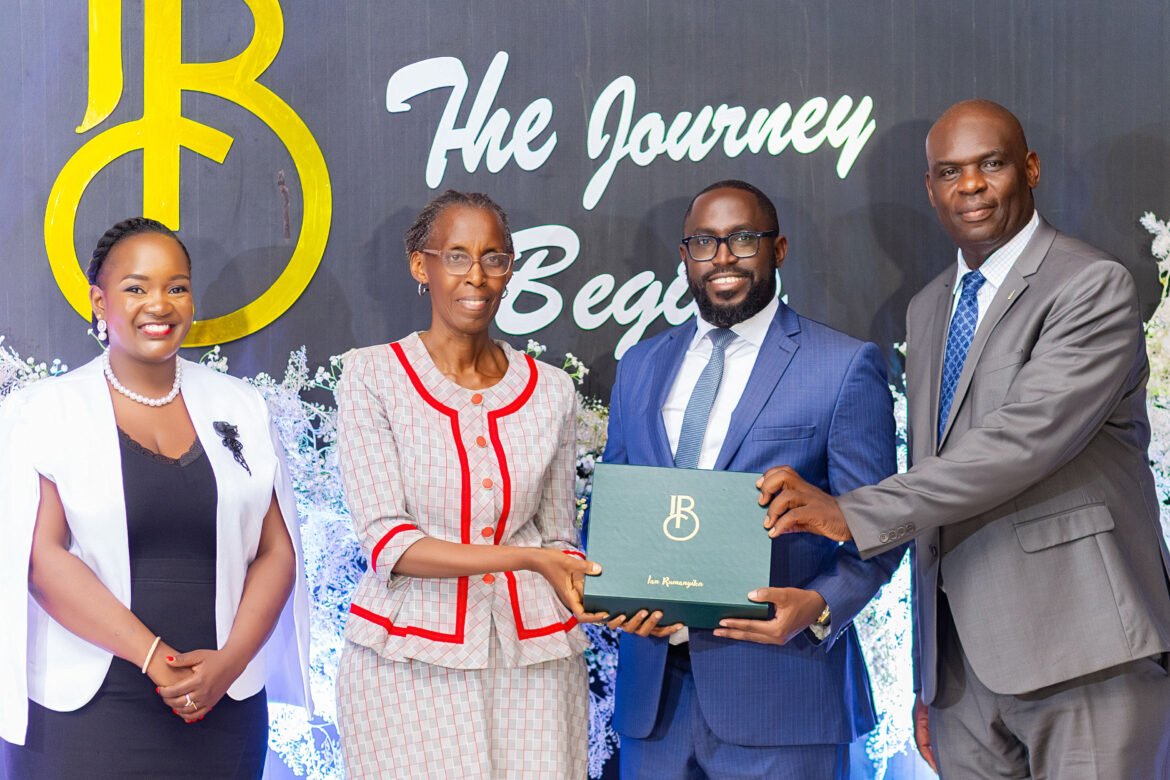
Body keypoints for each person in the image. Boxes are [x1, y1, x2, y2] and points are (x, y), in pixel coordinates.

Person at [760, 100, 1170, 778]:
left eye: (991, 164)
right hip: (962, 677)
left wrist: (852, 513)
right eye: (950, 171)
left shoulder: (1089, 285)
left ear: (1030, 168)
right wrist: (929, 676)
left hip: (1084, 651)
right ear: (930, 188)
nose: (970, 185)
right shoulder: (930, 307)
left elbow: (1021, 442)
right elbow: (935, 478)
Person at [602, 180, 906, 778]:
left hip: (783, 693)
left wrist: (819, 607)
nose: (722, 258)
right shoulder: (640, 364)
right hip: (654, 705)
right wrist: (612, 589)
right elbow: (614, 508)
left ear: (778, 249)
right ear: (684, 256)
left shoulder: (842, 366)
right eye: (704, 242)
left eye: (742, 239)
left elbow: (884, 525)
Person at [0, 217, 312, 778]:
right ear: (100, 301)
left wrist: (229, 663)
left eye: (177, 287)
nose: (160, 304)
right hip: (86, 708)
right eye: (136, 287)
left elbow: (277, 550)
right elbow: (41, 559)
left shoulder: (241, 406)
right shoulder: (46, 411)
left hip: (222, 704)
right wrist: (154, 658)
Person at [334, 190, 602, 779]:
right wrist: (527, 559)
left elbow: (559, 538)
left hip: (535, 662)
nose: (476, 276)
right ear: (420, 265)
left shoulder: (552, 390)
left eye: (493, 258)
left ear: (510, 269)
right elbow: (388, 543)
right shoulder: (372, 376)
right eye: (456, 256)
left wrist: (619, 593)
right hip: (405, 661)